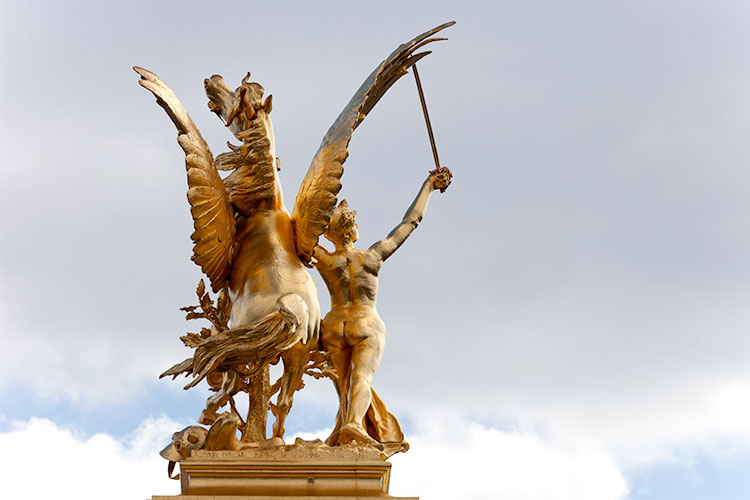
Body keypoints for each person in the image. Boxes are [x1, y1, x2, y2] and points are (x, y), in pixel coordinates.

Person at [313, 167, 451, 449]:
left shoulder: (324, 260)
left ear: (330, 234)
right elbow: (411, 222)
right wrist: (428, 186)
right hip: (365, 323)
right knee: (360, 378)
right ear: (354, 229)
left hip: (334, 325)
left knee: (344, 386)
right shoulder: (372, 257)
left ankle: (344, 428)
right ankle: (352, 425)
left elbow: (295, 235)